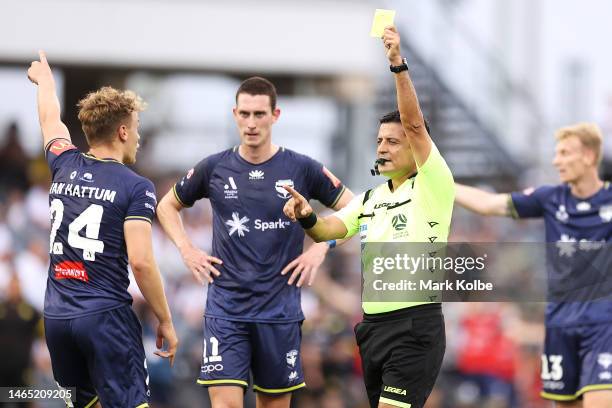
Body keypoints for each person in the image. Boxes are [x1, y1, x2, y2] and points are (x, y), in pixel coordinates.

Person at [283, 26, 455, 408]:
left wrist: (397, 64)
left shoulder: (433, 183)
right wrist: (307, 214)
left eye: (392, 141)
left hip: (415, 325)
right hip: (373, 329)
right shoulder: (371, 199)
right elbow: (328, 229)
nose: (382, 147)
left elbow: (413, 123)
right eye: (379, 140)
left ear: (416, 148)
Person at [156, 76, 353, 408]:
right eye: (244, 114)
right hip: (226, 311)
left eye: (259, 114)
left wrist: (320, 247)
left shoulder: (301, 167)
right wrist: (186, 249)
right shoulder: (215, 167)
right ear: (235, 114)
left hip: (280, 312)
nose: (251, 123)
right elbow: (166, 206)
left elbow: (356, 208)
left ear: (275, 116)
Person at [27, 51, 178, 408]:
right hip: (105, 318)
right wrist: (165, 319)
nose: (138, 137)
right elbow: (141, 262)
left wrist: (46, 82)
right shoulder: (136, 186)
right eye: (137, 128)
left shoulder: (63, 163)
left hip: (58, 317)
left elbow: (50, 119)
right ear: (123, 131)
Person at [454, 123, 612, 407]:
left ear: (589, 156)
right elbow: (489, 204)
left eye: (565, 153)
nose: (556, 161)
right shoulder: (549, 198)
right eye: (556, 153)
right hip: (560, 326)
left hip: (603, 326)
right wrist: (439, 182)